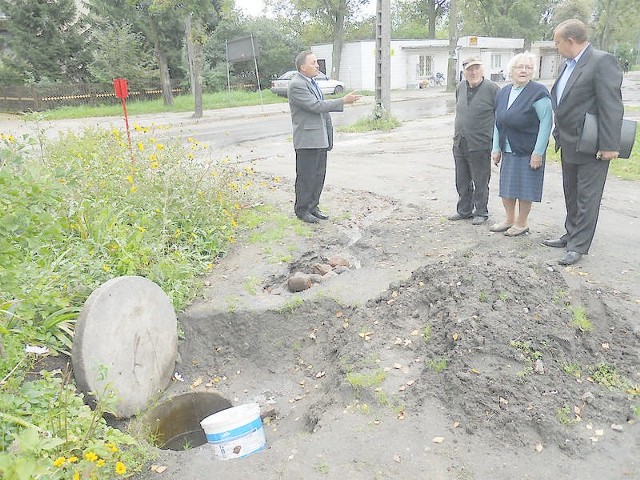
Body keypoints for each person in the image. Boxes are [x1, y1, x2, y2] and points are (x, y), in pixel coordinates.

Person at [543, 19, 624, 265]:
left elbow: (611, 106)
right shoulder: (567, 65)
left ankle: (579, 245)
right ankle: (570, 234)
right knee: (572, 192)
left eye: (557, 42)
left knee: (587, 196)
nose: (556, 47)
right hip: (569, 142)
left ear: (571, 41)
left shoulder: (601, 62)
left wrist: (610, 145)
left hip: (592, 145)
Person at [288, 50, 361, 223]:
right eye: (313, 62)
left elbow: (322, 111)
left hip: (319, 138)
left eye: (316, 62)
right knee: (306, 176)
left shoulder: (311, 82)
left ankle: (313, 206)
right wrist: (343, 100)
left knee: (318, 174)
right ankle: (302, 210)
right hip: (307, 140)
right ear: (302, 67)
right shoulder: (297, 84)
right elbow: (315, 106)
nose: (317, 65)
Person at [490, 52, 553, 236]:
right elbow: (498, 122)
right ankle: (509, 219)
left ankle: (522, 222)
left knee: (525, 189)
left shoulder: (538, 92)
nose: (524, 70)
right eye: (520, 67)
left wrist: (538, 152)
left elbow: (546, 123)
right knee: (507, 188)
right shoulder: (504, 92)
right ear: (512, 70)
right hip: (508, 149)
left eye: (528, 67)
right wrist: (495, 148)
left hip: (528, 149)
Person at [449, 56, 500, 225]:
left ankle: (481, 212)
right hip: (460, 142)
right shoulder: (460, 87)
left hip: (481, 143)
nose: (474, 72)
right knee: (461, 180)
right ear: (464, 72)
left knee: (480, 180)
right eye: (470, 69)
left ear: (482, 70)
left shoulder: (493, 89)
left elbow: (500, 117)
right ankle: (464, 210)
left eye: (477, 68)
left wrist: (497, 145)